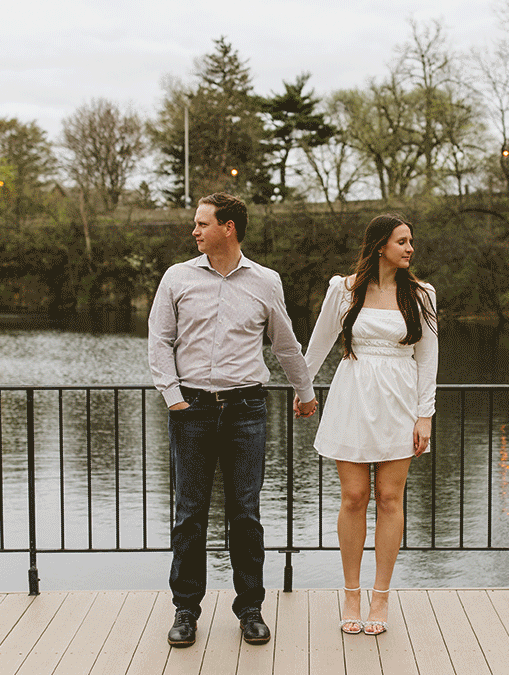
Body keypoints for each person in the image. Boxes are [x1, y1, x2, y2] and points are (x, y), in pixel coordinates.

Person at [148, 192, 318, 649]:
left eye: (202, 223)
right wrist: (173, 397)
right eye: (195, 223)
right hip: (192, 410)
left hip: (246, 410)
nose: (194, 230)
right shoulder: (177, 277)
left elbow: (285, 344)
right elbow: (159, 342)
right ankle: (186, 610)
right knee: (190, 514)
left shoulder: (266, 281)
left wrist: (305, 391)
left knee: (245, 515)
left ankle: (251, 610)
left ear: (229, 228)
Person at [296, 213, 437, 636]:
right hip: (353, 396)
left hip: (400, 399)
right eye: (402, 241)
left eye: (411, 241)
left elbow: (428, 357)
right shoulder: (344, 289)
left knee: (391, 499)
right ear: (380, 246)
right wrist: (304, 389)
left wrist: (424, 414)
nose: (410, 248)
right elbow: (320, 341)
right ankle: (351, 593)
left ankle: (381, 597)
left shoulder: (422, 294)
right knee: (354, 497)